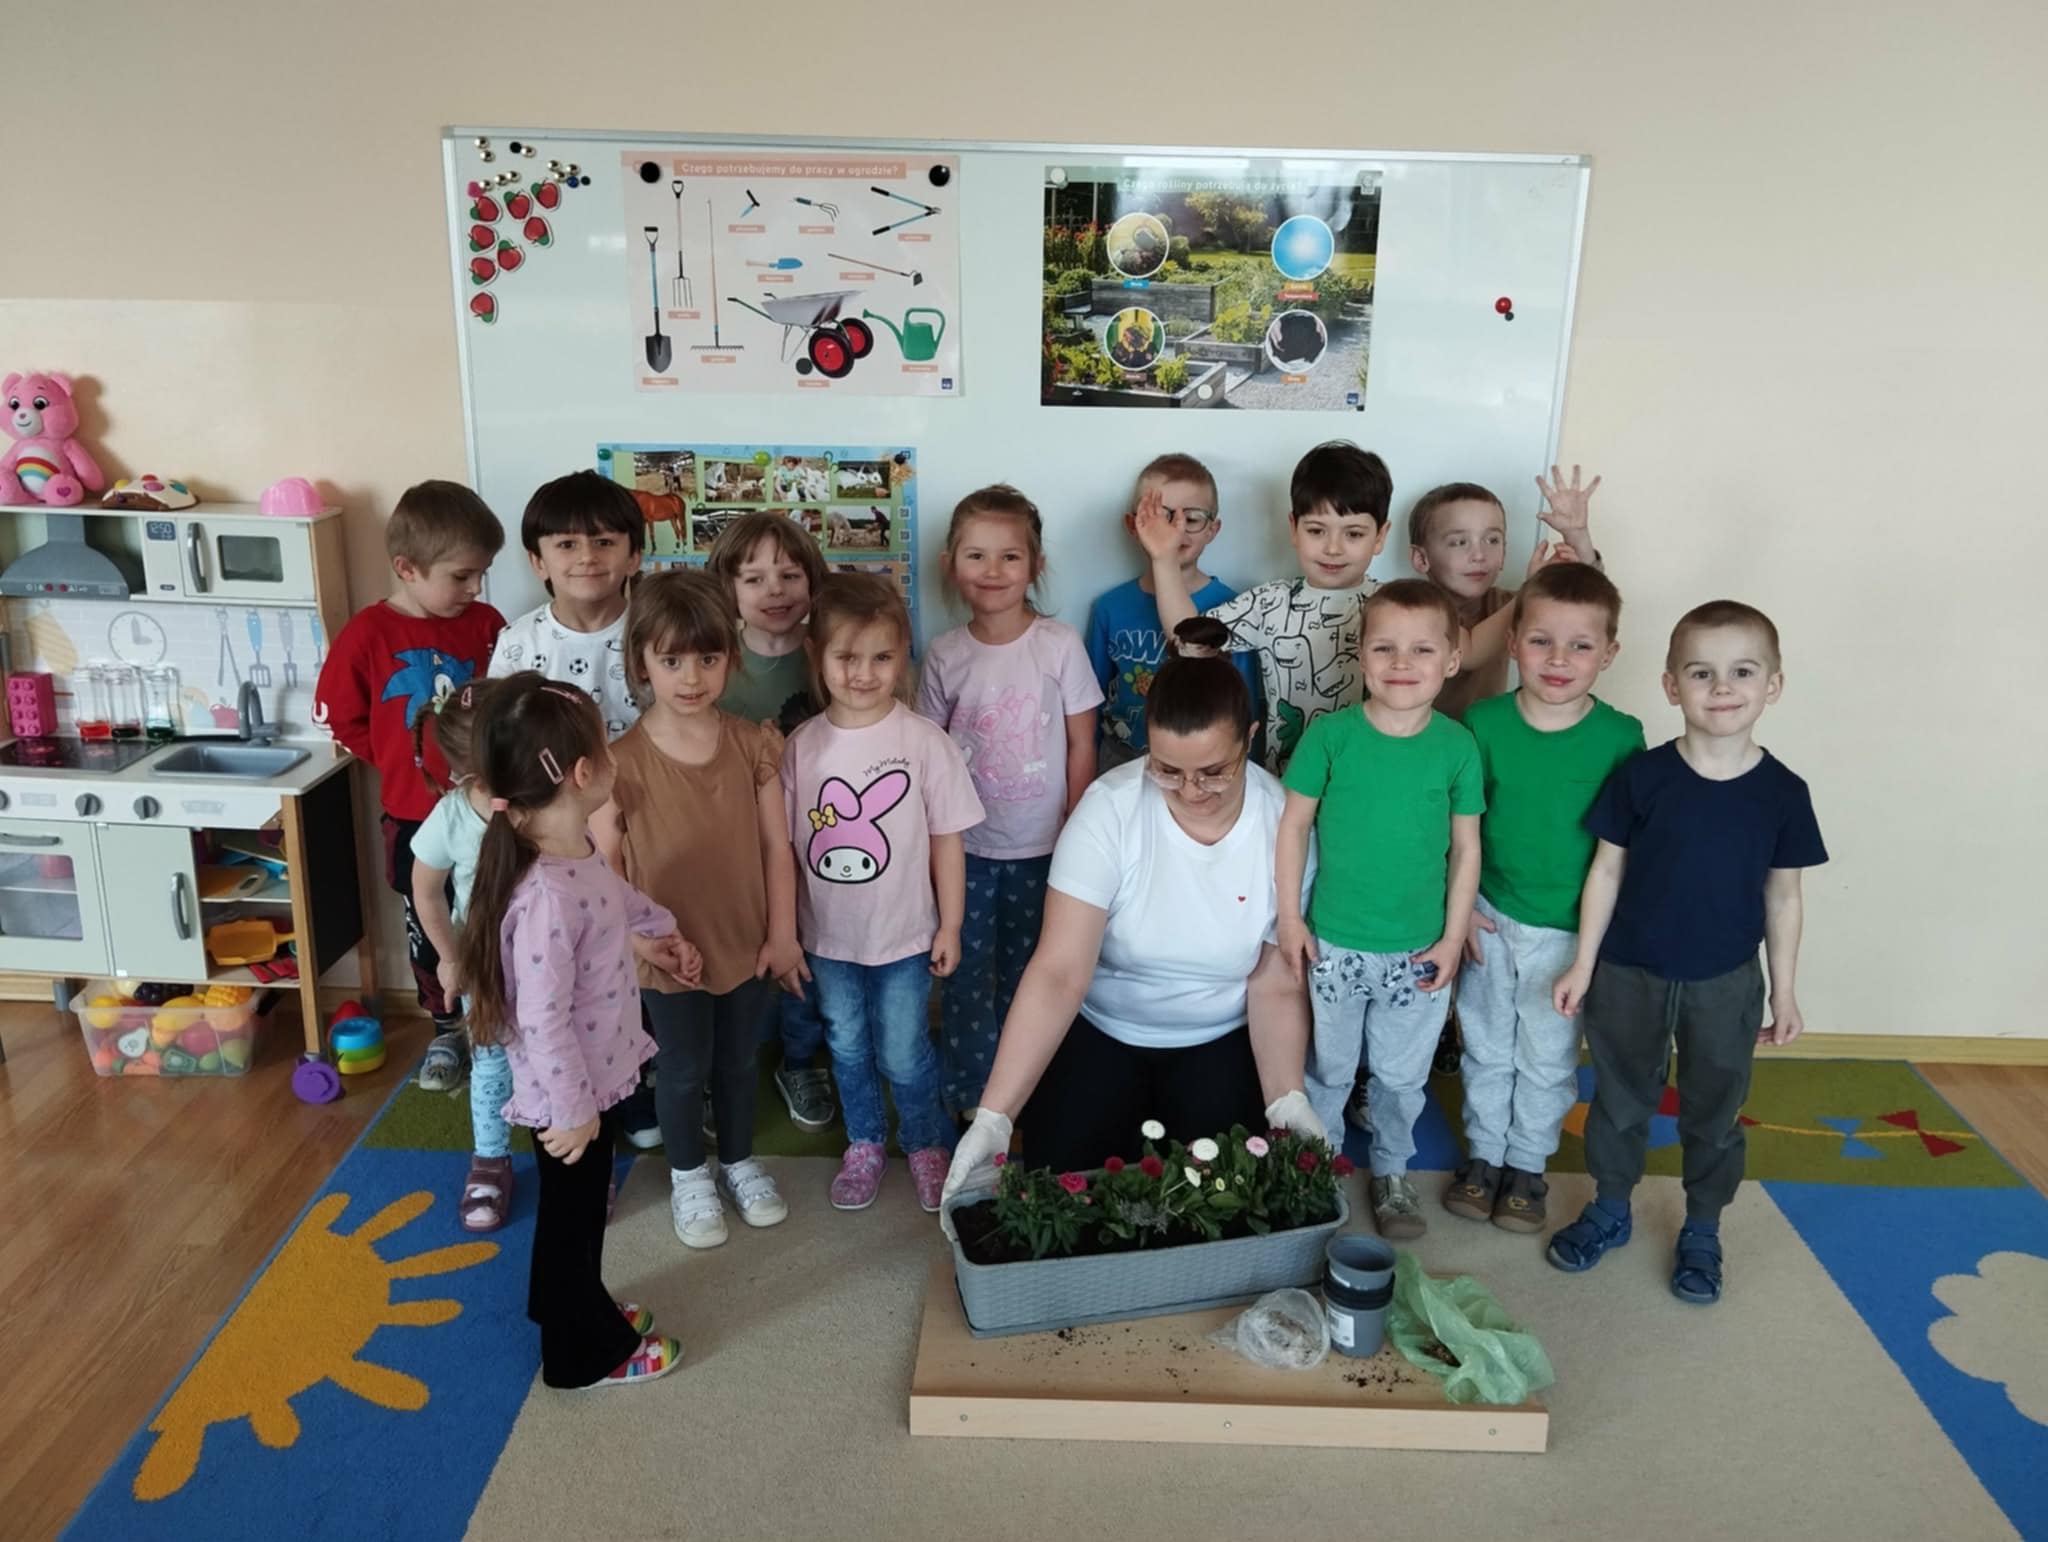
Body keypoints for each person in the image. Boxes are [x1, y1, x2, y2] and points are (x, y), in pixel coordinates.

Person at [942, 617, 1330, 1215]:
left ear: (1250, 739)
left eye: (1214, 772)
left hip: (1219, 1034)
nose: (1190, 790)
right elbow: (1059, 973)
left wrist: (1286, 1099)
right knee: (1064, 1197)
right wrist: (995, 1117)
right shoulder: (1108, 811)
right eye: (1167, 769)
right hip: (1103, 1026)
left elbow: (1274, 981)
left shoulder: (1283, 825)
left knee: (1221, 1201)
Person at [1548, 601, 1825, 1305]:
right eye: (1702, 673)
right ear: (1672, 686)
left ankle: (1703, 1224)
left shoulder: (1784, 794)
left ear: (1773, 685)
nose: (1722, 687)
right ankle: (1611, 1206)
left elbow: (1784, 898)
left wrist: (1785, 990)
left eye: (1742, 672)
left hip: (1726, 982)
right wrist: (1583, 963)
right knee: (1619, 1102)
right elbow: (1605, 871)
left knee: (1714, 1111)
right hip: (1628, 972)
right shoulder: (1642, 777)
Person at [456, 673, 696, 1389]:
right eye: (608, 748)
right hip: (570, 1096)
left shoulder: (569, 850)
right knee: (573, 1221)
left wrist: (658, 928)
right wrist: (573, 1109)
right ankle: (579, 1354)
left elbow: (610, 894)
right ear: (584, 774)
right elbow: (541, 1019)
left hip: (594, 1077)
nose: (616, 758)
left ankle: (575, 1307)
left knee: (578, 1218)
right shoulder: (544, 897)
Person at [595, 570, 801, 1249]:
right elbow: (605, 871)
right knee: (682, 1069)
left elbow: (777, 846)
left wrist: (782, 934)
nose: (691, 677)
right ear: (641, 663)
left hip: (747, 940)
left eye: (708, 658)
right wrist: (640, 944)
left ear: (730, 657)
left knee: (738, 1062)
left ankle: (738, 1161)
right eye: (672, 660)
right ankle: (689, 1176)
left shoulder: (752, 745)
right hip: (665, 951)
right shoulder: (617, 764)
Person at [1276, 580, 1483, 1240]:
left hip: (1418, 951)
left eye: (1422, 649)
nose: (1402, 663)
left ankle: (1392, 1170)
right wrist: (1289, 918)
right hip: (1334, 944)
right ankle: (1318, 1171)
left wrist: (1453, 936)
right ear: (1360, 654)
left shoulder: (1456, 747)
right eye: (1385, 647)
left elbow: (1466, 849)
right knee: (1329, 1072)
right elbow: (1293, 828)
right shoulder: (1331, 738)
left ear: (1452, 659)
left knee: (1400, 1078)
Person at [1444, 563, 1644, 1237]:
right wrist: (1460, 909)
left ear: (1609, 654)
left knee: (1548, 1055)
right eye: (1541, 641)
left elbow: (1624, 852)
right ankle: (1484, 1156)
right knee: (1485, 1045)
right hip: (1490, 917)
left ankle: (1527, 1165)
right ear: (1513, 642)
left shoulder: (1621, 737)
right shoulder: (1483, 723)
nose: (1559, 659)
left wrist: (1596, 947)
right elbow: (1458, 828)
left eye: (1580, 645)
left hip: (1569, 933)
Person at [784, 574, 983, 1211]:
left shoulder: (924, 741)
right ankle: (865, 1141)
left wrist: (950, 925)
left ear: (903, 657)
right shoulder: (800, 748)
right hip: (828, 940)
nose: (864, 674)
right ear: (815, 655)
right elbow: (781, 850)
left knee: (903, 1050)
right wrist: (784, 934)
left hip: (906, 937)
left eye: (882, 657)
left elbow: (949, 839)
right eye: (846, 657)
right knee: (846, 1045)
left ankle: (925, 1142)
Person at [916, 485, 1102, 1117]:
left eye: (1010, 556)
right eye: (976, 555)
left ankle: (1024, 1087)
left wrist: (1076, 826)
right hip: (964, 851)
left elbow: (1082, 741)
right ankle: (972, 1094)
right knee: (965, 971)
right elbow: (928, 753)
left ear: (1035, 566)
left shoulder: (1059, 644)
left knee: (1032, 971)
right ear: (950, 565)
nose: (992, 571)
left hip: (1044, 846)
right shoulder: (945, 654)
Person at [314, 480, 505, 1042]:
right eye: (461, 576)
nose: (475, 588)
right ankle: (445, 1025)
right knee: (427, 918)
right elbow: (334, 715)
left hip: (486, 811)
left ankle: (497, 1018)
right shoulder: (367, 634)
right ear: (407, 568)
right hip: (412, 814)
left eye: (481, 574)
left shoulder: (488, 624)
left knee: (494, 913)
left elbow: (509, 708)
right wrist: (400, 759)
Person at [1140, 440, 1391, 773]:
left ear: (1380, 536)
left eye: (1354, 534)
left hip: (1368, 784)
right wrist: (1164, 559)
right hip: (1286, 784)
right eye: (1317, 530)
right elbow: (1186, 637)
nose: (1333, 548)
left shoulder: (1394, 608)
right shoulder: (1270, 603)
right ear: (1294, 528)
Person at [705, 511, 838, 1134]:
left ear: (813, 580)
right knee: (736, 955)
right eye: (754, 578)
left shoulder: (833, 657)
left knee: (809, 952)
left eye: (789, 575)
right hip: (738, 845)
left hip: (824, 840)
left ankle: (801, 1060)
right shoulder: (714, 667)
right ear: (727, 588)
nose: (775, 590)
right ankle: (723, 1064)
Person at [406, 681, 522, 1231]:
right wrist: (449, 958)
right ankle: (491, 1161)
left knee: (560, 1058)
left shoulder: (545, 803)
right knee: (493, 1063)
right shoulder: (453, 815)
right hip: (485, 966)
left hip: (555, 965)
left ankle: (571, 1159)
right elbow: (425, 889)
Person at [1084, 452, 1259, 771]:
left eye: (1192, 519)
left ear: (1213, 529)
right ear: (1133, 525)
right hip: (1121, 761)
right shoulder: (1109, 608)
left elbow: (1245, 705)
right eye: (1162, 517)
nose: (1176, 531)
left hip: (1201, 768)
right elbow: (1089, 701)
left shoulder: (1237, 609)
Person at [1412, 468, 1603, 723]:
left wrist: (1577, 536)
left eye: (1492, 540)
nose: (1479, 555)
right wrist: (1531, 590)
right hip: (1426, 740)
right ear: (1421, 558)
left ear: (1504, 553)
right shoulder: (1413, 608)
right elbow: (1470, 652)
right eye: (1459, 542)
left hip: (1485, 737)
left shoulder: (1506, 602)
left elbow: (1587, 603)